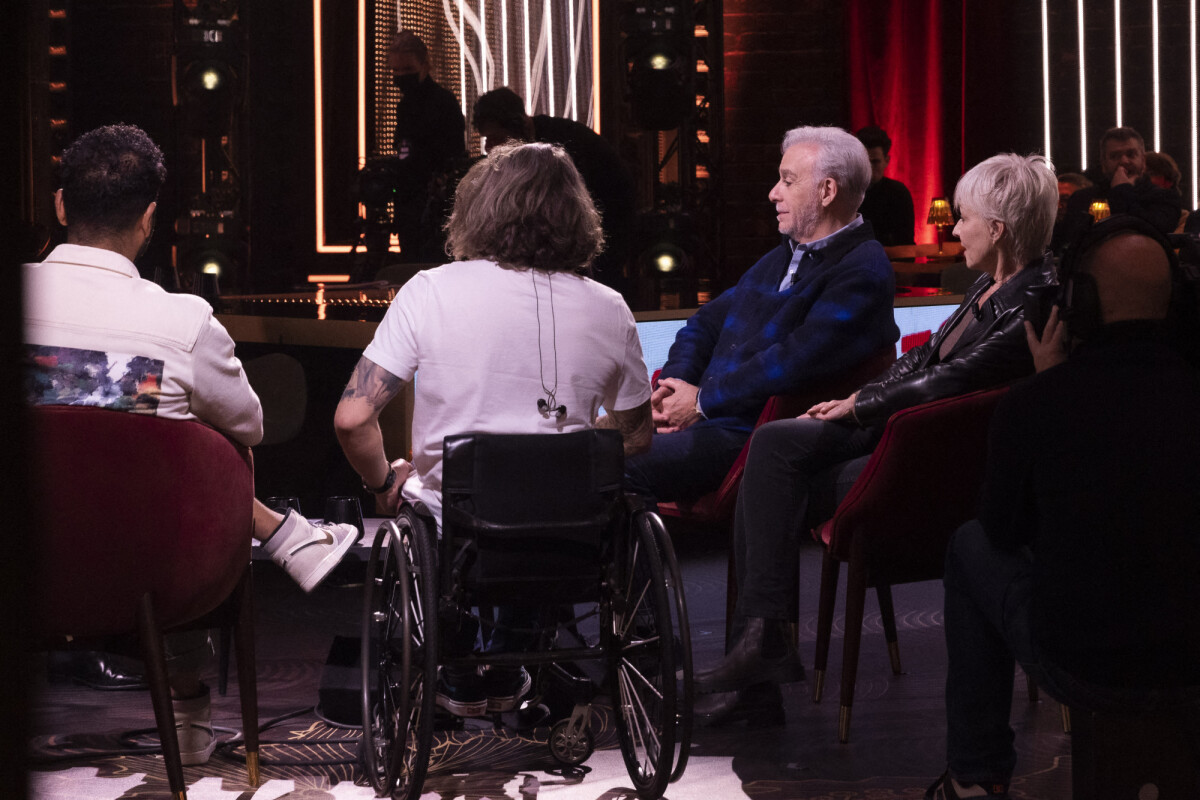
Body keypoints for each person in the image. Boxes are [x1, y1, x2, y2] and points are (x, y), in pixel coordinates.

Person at [23, 124, 360, 765]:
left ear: (61, 205)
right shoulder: (182, 322)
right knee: (205, 459)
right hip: (146, 572)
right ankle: (187, 707)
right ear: (149, 218)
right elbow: (250, 429)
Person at [694, 153, 1059, 726]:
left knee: (772, 488)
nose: (953, 230)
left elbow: (952, 380)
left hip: (939, 464)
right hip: (901, 435)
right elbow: (923, 357)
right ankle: (762, 646)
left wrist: (859, 406)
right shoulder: (989, 284)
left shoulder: (1034, 301)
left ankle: (761, 658)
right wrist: (858, 399)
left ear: (997, 229)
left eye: (963, 219)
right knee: (772, 447)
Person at [333, 142, 653, 717]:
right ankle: (513, 660)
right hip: (570, 532)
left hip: (460, 527)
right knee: (540, 503)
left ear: (478, 208)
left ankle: (457, 662)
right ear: (577, 215)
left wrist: (384, 481)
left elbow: (352, 418)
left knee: (433, 506)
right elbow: (634, 436)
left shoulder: (431, 291)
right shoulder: (611, 308)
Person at [925, 217, 1200, 800]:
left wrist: (1049, 387)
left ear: (1080, 305)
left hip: (1087, 666)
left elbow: (1004, 528)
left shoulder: (1035, 405)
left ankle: (975, 774)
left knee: (970, 545)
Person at [622, 125, 899, 504]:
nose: (773, 193)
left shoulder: (862, 270)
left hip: (751, 434)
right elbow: (703, 324)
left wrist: (701, 401)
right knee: (582, 451)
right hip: (713, 418)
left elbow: (791, 362)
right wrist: (674, 388)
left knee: (610, 464)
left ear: (827, 191)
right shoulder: (782, 255)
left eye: (788, 181)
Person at [471, 87, 636, 295]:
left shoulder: (560, 146)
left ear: (517, 125)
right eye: (486, 139)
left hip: (608, 225)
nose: (488, 148)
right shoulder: (539, 142)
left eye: (495, 138)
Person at [387, 30, 467, 262]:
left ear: (425, 65)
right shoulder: (405, 106)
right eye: (396, 71)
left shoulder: (443, 103)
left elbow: (453, 154)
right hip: (410, 201)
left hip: (436, 206)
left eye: (407, 69)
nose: (401, 76)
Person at [1057, 126, 1182, 250]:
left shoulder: (1164, 198)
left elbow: (1150, 231)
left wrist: (1122, 190)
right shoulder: (1082, 198)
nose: (1124, 161)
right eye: (1115, 156)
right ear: (1104, 163)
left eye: (1131, 154)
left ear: (1143, 161)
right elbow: (1073, 241)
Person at [855, 125, 915, 246]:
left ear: (886, 161)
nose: (869, 167)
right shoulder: (846, 193)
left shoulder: (898, 193)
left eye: (875, 162)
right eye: (865, 162)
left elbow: (905, 242)